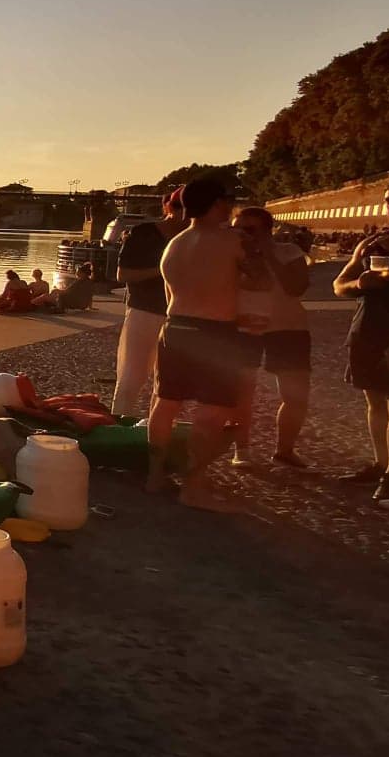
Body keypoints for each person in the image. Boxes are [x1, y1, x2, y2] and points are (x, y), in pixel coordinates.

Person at [145, 177, 244, 511]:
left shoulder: (175, 244)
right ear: (217, 204)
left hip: (175, 327)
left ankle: (155, 475)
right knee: (211, 413)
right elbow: (262, 280)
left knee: (165, 403)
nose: (231, 207)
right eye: (228, 201)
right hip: (216, 330)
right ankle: (194, 487)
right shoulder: (232, 241)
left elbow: (169, 296)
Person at [229, 208, 311, 468]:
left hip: (288, 328)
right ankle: (242, 450)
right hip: (245, 328)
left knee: (295, 395)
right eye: (237, 228)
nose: (242, 234)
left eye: (249, 229)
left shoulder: (289, 252)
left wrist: (269, 254)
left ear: (268, 230)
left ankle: (285, 450)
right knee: (243, 392)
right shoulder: (231, 255)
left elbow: (295, 287)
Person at [333, 180, 389, 502]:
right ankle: (380, 464)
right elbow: (338, 285)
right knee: (375, 404)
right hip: (368, 329)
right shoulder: (371, 245)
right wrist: (360, 281)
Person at [111, 187, 189, 418]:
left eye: (189, 209)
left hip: (181, 316)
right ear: (167, 207)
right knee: (131, 375)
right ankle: (117, 422)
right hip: (144, 311)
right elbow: (123, 274)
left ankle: (158, 430)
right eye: (178, 207)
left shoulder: (195, 237)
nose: (183, 214)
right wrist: (163, 271)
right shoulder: (144, 233)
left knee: (168, 380)